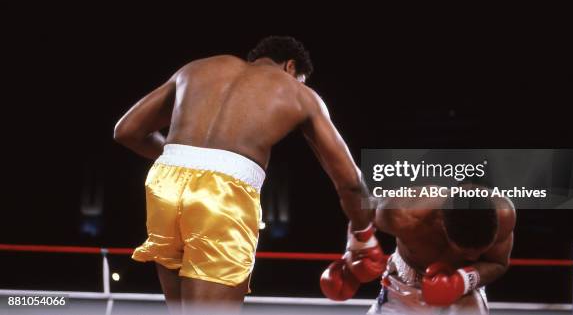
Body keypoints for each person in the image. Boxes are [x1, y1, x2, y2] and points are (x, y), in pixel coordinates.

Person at [113, 36, 383, 314]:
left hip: (165, 183)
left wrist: (187, 162)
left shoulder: (197, 68)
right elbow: (351, 183)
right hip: (223, 194)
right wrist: (363, 236)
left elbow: (126, 131)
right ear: (291, 67)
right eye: (300, 79)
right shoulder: (299, 93)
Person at [321, 185, 515, 315]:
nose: (473, 257)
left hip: (465, 293)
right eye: (465, 251)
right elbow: (361, 212)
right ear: (443, 227)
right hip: (405, 287)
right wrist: (355, 250)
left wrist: (463, 280)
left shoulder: (503, 216)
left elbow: (498, 263)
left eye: (480, 251)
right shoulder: (403, 213)